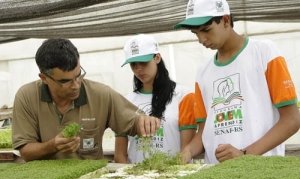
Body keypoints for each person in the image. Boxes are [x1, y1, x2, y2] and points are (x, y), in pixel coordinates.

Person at [175, 0, 300, 164]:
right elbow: (204, 130)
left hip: (261, 171)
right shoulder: (203, 72)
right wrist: (188, 151)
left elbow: (292, 119)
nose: (201, 39)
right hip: (215, 175)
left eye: (206, 30)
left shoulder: (264, 53)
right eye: (195, 33)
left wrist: (244, 154)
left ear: (226, 20)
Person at [12, 38, 160, 162]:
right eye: (65, 81)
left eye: (78, 75)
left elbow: (133, 122)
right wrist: (53, 145)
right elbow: (26, 151)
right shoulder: (27, 97)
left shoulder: (101, 94)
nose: (76, 85)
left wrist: (144, 122)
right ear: (44, 78)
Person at [114, 34, 196, 163]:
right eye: (133, 64)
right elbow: (120, 155)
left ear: (157, 57)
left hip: (172, 175)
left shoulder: (184, 96)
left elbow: (186, 151)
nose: (138, 69)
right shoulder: (126, 101)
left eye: (143, 62)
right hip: (137, 178)